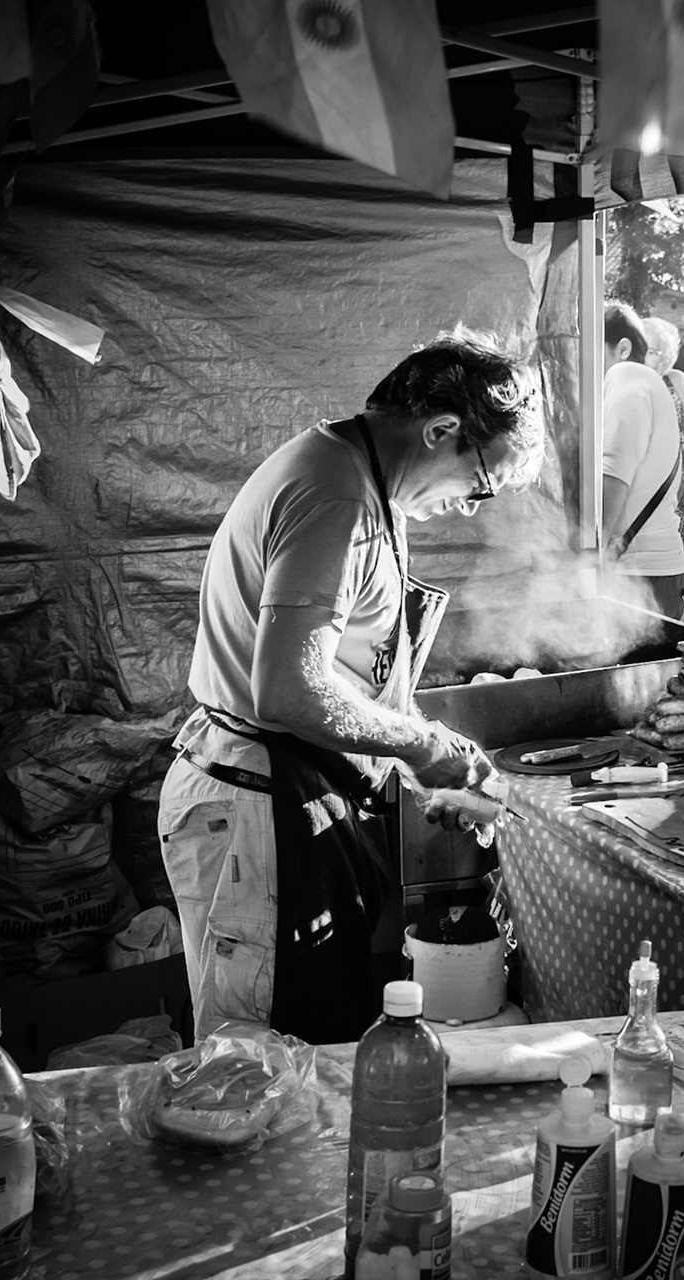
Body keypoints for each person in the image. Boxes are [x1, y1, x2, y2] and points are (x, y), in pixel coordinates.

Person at [157, 333, 544, 1043]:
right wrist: (422, 744)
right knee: (260, 1056)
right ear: (441, 430)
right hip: (256, 804)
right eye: (479, 485)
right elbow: (290, 693)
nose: (468, 507)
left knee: (310, 1044)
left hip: (285, 790)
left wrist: (423, 759)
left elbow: (349, 675)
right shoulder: (332, 492)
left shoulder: (363, 481)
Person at [602, 302, 684, 618]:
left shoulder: (627, 378)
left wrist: (591, 559)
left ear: (622, 348)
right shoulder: (645, 383)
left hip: (641, 578)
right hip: (652, 574)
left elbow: (614, 476)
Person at [641, 314, 684, 532]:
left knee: (670, 549)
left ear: (665, 356)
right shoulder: (619, 383)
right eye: (639, 349)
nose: (642, 357)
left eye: (650, 351)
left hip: (674, 485)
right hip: (634, 483)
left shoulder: (679, 382)